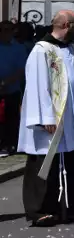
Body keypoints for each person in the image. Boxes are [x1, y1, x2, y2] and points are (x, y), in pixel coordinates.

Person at [18, 11, 74, 227]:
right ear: (66, 24)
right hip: (50, 120)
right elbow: (36, 86)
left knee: (69, 160)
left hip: (69, 119)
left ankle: (69, 209)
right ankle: (39, 210)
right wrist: (45, 117)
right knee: (44, 163)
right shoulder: (41, 50)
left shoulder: (71, 48)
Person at [0, 21, 28, 157]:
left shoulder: (18, 48)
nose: (5, 33)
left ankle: (9, 144)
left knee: (11, 119)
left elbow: (21, 69)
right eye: (2, 30)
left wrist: (5, 83)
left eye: (8, 30)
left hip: (11, 89)